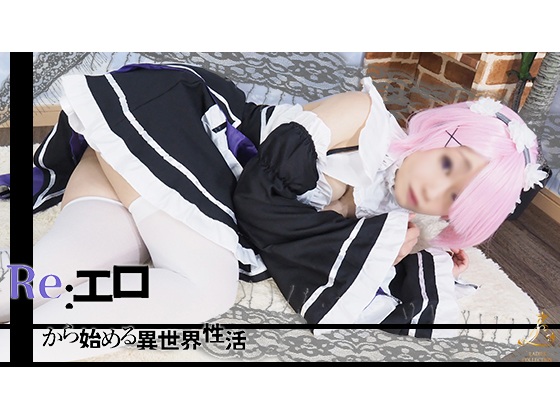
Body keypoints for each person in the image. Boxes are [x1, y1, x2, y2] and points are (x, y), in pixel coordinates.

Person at [14, 62, 546, 338]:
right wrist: (374, 239)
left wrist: (405, 246)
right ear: (439, 134)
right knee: (205, 288)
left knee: (59, 267)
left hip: (124, 170)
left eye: (452, 200)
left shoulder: (391, 205)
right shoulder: (364, 117)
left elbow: (321, 243)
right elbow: (259, 199)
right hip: (174, 133)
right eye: (448, 165)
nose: (433, 191)